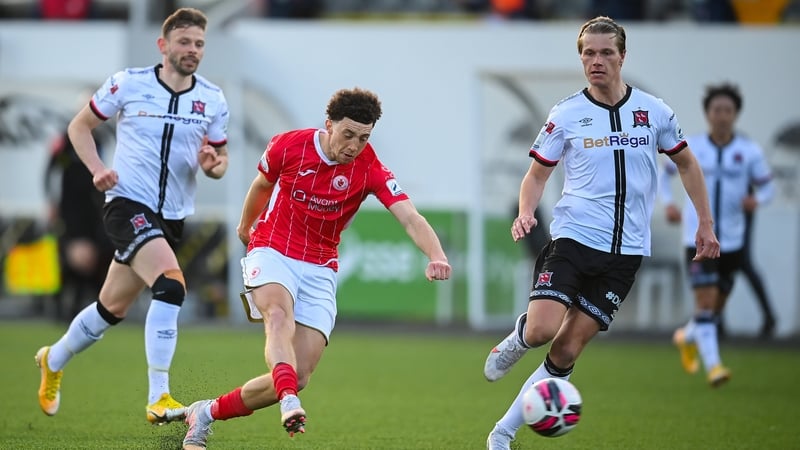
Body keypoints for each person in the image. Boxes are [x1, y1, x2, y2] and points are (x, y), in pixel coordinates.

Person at [482, 16, 720, 450]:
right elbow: (536, 175)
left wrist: (704, 221)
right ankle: (519, 337)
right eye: (588, 53)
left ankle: (502, 433)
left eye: (605, 52)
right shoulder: (567, 113)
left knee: (567, 351)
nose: (596, 61)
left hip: (626, 252)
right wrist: (525, 212)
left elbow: (686, 164)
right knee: (541, 333)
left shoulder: (654, 112)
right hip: (574, 240)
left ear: (622, 57)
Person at [180, 87, 452, 449]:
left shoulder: (369, 167)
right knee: (278, 316)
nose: (354, 145)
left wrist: (437, 255)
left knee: (300, 373)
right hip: (273, 247)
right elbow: (262, 184)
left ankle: (207, 412)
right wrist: (246, 227)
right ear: (329, 125)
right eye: (348, 134)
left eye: (364, 137)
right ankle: (289, 400)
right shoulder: (288, 146)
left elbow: (409, 217)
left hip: (321, 264)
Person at [35, 7, 229, 426]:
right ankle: (159, 396)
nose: (192, 50)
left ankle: (54, 358)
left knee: (111, 308)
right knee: (171, 285)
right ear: (164, 45)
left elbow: (219, 160)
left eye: (198, 43)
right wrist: (97, 170)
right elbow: (78, 127)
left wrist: (214, 163)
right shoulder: (129, 83)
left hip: (172, 216)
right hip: (126, 204)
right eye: (184, 42)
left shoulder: (212, 98)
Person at [660, 83, 775, 386]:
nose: (722, 116)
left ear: (735, 114)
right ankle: (714, 366)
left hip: (733, 240)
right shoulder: (692, 147)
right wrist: (669, 204)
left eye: (727, 110)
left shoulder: (749, 151)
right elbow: (664, 174)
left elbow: (768, 187)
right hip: (695, 238)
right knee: (708, 303)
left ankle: (687, 336)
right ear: (707, 114)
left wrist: (757, 200)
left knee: (715, 305)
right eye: (716, 110)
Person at [43, 125, 114, 322]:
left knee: (91, 257)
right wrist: (50, 202)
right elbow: (50, 171)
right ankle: (59, 307)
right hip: (67, 209)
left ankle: (82, 307)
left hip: (91, 209)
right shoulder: (64, 141)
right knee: (65, 259)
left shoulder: (99, 141)